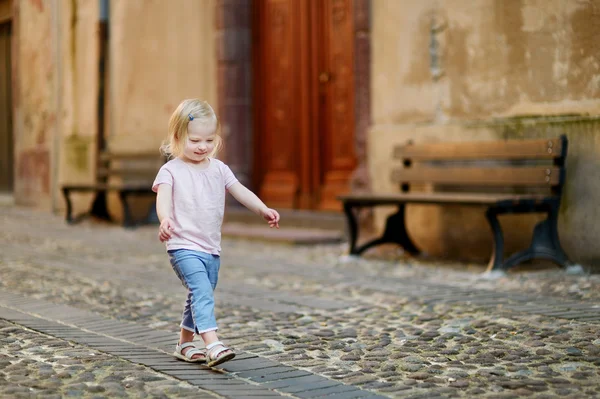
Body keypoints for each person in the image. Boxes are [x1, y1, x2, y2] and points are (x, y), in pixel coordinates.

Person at [152, 99, 280, 367]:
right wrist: (165, 220)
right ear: (177, 137)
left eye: (209, 140)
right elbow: (163, 199)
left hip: (211, 247)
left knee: (199, 293)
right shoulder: (171, 170)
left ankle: (185, 343)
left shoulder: (219, 169)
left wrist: (262, 209)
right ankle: (213, 344)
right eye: (195, 140)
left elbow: (240, 191)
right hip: (182, 245)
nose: (203, 146)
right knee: (201, 290)